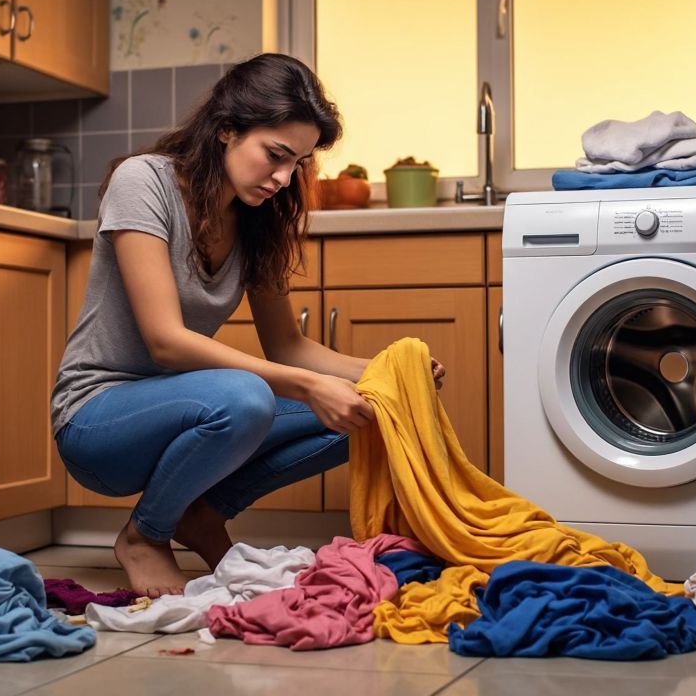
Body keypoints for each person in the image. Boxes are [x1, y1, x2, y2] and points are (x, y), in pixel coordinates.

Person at [50, 53, 445, 597]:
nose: (284, 179)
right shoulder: (142, 181)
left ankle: (200, 515)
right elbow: (165, 342)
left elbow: (288, 345)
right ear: (226, 130)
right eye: (275, 155)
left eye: (298, 164)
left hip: (180, 407)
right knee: (246, 398)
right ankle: (145, 535)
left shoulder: (258, 218)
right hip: (98, 419)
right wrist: (308, 386)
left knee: (371, 407)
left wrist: (387, 371)